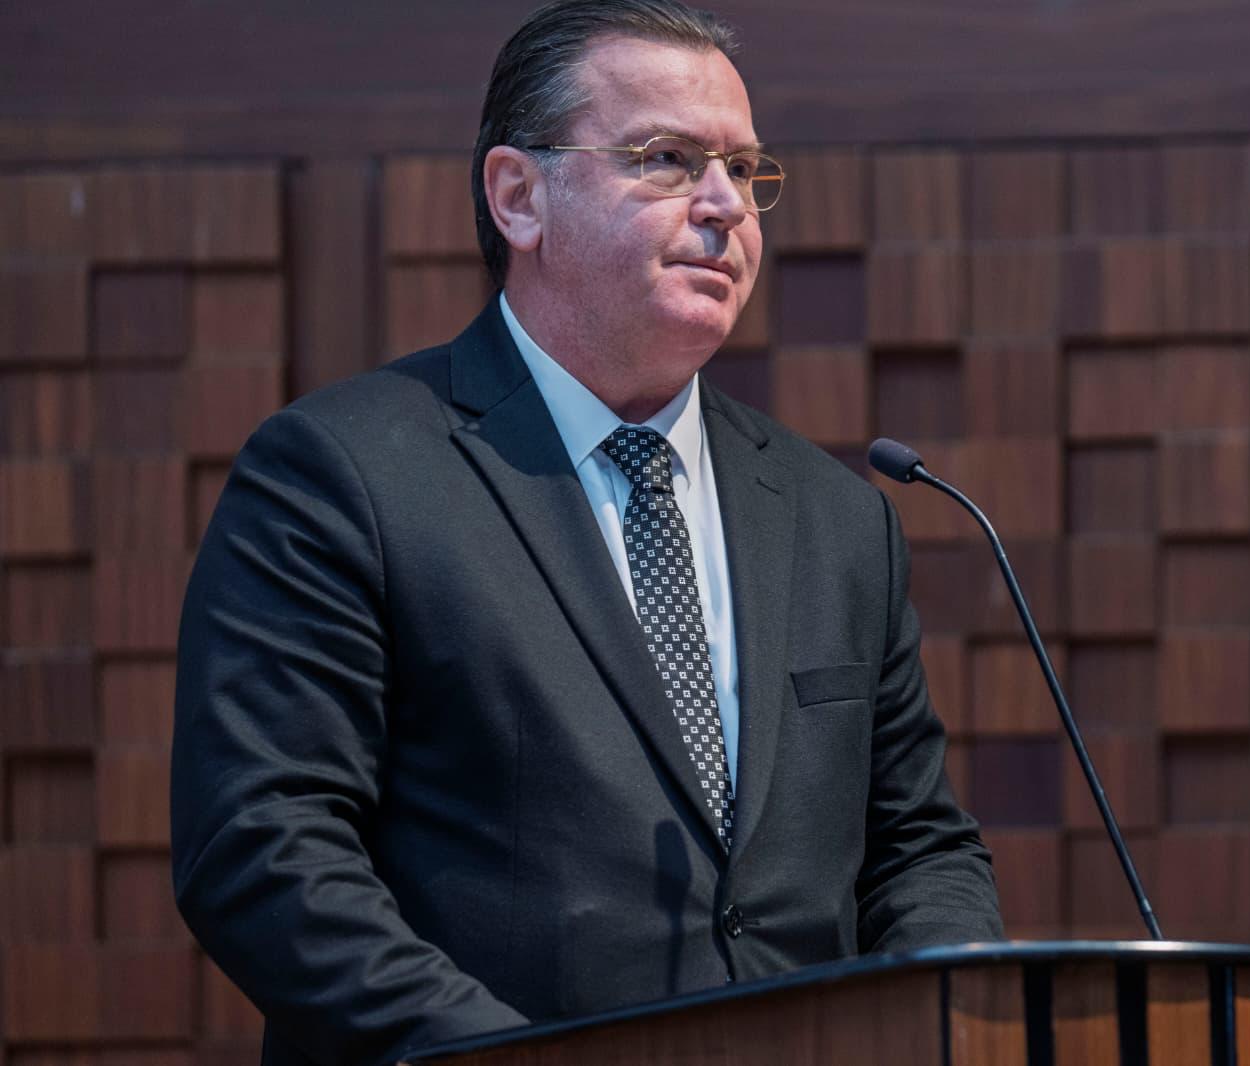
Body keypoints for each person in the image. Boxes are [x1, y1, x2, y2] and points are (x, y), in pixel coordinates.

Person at [170, 2, 1002, 1064]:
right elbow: (263, 849)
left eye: (746, 171)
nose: (725, 206)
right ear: (520, 197)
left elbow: (919, 848)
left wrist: (940, 1028)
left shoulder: (838, 516)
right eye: (668, 160)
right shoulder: (342, 475)